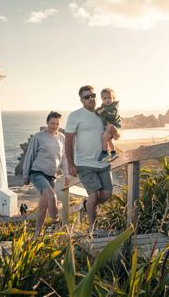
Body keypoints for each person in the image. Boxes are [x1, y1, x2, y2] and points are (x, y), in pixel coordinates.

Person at [65, 85, 113, 233]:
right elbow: (68, 141)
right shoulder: (75, 116)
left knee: (106, 194)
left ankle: (86, 204)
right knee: (94, 194)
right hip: (84, 163)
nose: (91, 99)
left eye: (93, 96)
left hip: (102, 162)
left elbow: (111, 131)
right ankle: (93, 229)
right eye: (87, 97)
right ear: (81, 100)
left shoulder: (101, 114)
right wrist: (70, 163)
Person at [22, 111, 70, 238]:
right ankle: (56, 223)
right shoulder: (38, 137)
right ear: (47, 122)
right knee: (52, 196)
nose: (54, 126)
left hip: (51, 176)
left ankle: (37, 233)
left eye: (57, 124)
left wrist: (66, 174)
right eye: (52, 123)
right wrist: (25, 174)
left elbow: (63, 158)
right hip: (37, 173)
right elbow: (30, 155)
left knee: (43, 206)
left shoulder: (61, 137)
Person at [95, 88, 122, 162]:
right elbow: (98, 110)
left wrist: (103, 112)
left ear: (113, 98)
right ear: (102, 99)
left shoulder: (114, 107)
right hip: (108, 126)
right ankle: (113, 152)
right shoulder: (103, 106)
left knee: (104, 138)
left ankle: (105, 153)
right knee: (109, 140)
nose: (107, 100)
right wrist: (98, 111)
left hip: (113, 125)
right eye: (105, 98)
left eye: (109, 98)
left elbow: (112, 115)